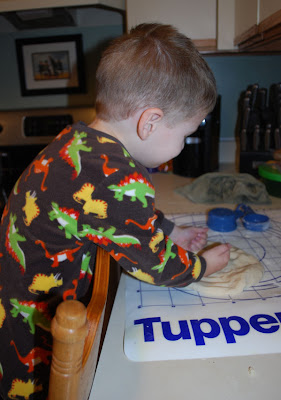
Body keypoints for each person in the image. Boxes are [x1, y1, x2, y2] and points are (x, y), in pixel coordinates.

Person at [0, 23, 231, 399]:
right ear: (150, 121)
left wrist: (171, 231)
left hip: (10, 301)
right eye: (184, 135)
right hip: (32, 334)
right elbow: (155, 263)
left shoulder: (77, 140)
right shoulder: (114, 174)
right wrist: (204, 265)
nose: (183, 146)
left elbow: (115, 216)